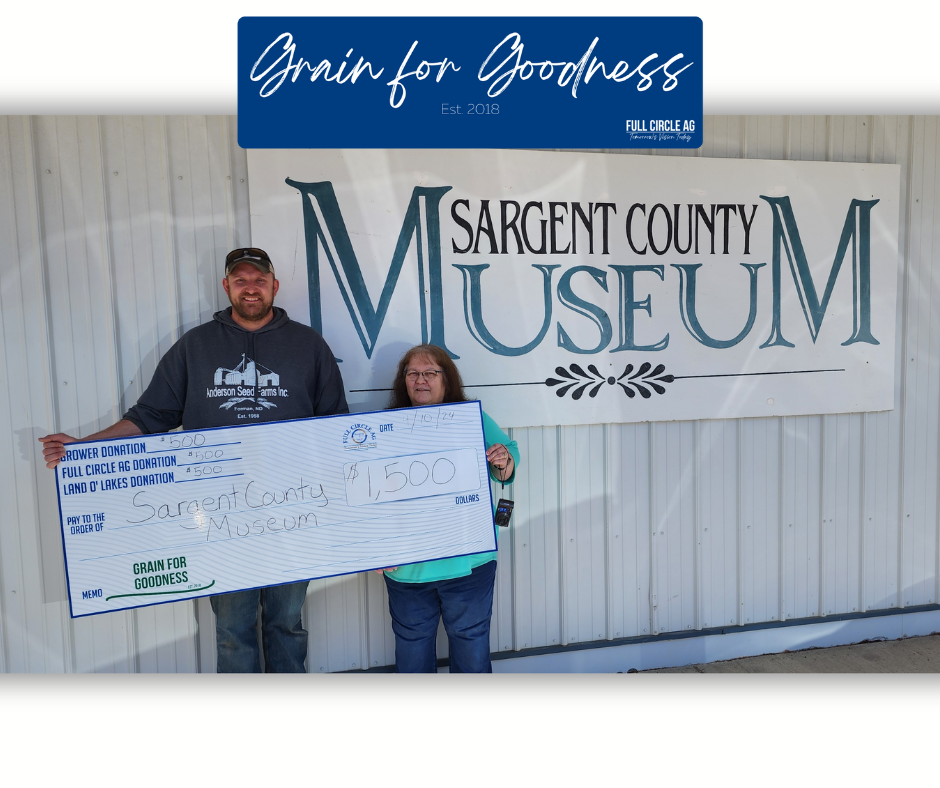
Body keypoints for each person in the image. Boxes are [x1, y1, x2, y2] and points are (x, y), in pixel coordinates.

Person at [39, 247, 348, 673]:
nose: (251, 288)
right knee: (233, 628)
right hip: (221, 516)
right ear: (226, 286)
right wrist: (83, 448)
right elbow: (150, 416)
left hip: (293, 512)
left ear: (274, 285)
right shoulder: (196, 345)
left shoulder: (308, 345)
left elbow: (335, 425)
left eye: (259, 280)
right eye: (240, 280)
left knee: (286, 623)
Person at [380, 344, 520, 673]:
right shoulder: (383, 428)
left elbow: (508, 457)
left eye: (430, 372)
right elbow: (365, 495)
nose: (420, 380)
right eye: (413, 373)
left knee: (471, 649)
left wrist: (503, 459)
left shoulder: (470, 419)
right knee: (413, 654)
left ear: (447, 379)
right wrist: (374, 549)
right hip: (408, 567)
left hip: (468, 563)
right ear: (403, 380)